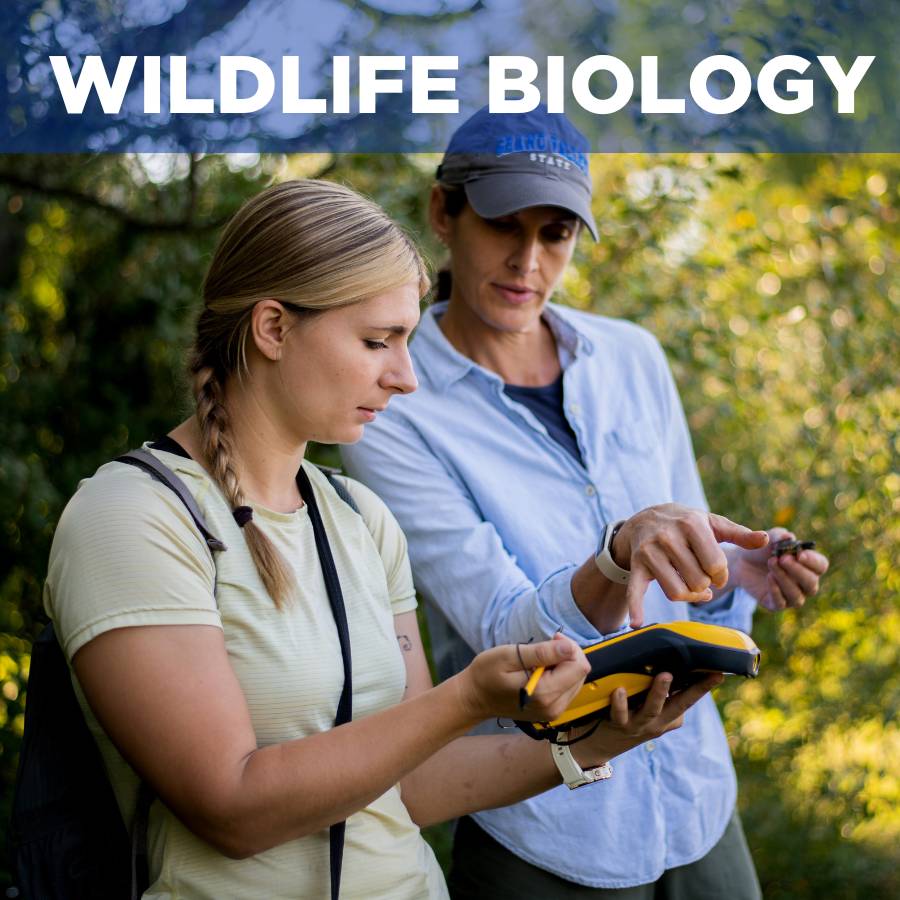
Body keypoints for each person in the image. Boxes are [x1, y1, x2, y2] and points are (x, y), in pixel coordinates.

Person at [42, 179, 720, 900]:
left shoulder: (359, 517)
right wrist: (465, 699)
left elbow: (417, 786)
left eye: (407, 342)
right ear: (272, 329)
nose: (405, 378)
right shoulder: (133, 518)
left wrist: (596, 742)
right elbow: (231, 808)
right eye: (377, 342)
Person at [341, 108, 831, 898]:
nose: (527, 260)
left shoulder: (632, 358)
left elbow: (687, 572)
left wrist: (740, 570)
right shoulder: (394, 410)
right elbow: (502, 629)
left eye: (557, 233)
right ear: (444, 213)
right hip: (546, 826)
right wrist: (617, 552)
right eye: (504, 223)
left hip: (696, 797)